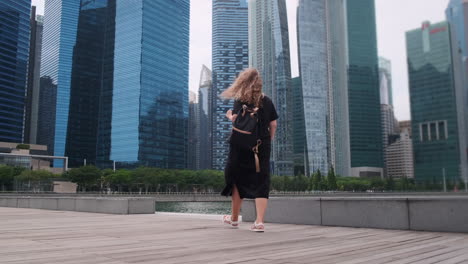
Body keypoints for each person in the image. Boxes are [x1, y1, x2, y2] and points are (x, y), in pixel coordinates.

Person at [220, 68, 278, 232]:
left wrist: (230, 117)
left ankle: (233, 219)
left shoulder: (240, 100)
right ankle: (259, 222)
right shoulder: (267, 101)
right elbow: (273, 124)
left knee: (237, 179)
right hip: (261, 146)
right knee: (261, 181)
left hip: (239, 145)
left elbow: (237, 122)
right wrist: (268, 140)